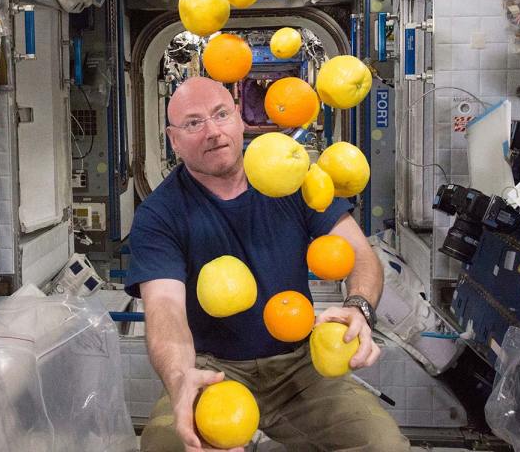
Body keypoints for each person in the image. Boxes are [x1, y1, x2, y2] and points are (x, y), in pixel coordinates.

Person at [125, 77, 409, 452]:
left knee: (382, 445)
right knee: (166, 445)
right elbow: (165, 308)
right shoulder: (159, 214)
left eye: (221, 114)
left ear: (240, 120)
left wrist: (359, 307)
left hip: (299, 365)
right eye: (193, 123)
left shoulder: (295, 179)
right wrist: (180, 379)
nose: (212, 131)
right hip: (214, 370)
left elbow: (359, 253)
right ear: (173, 139)